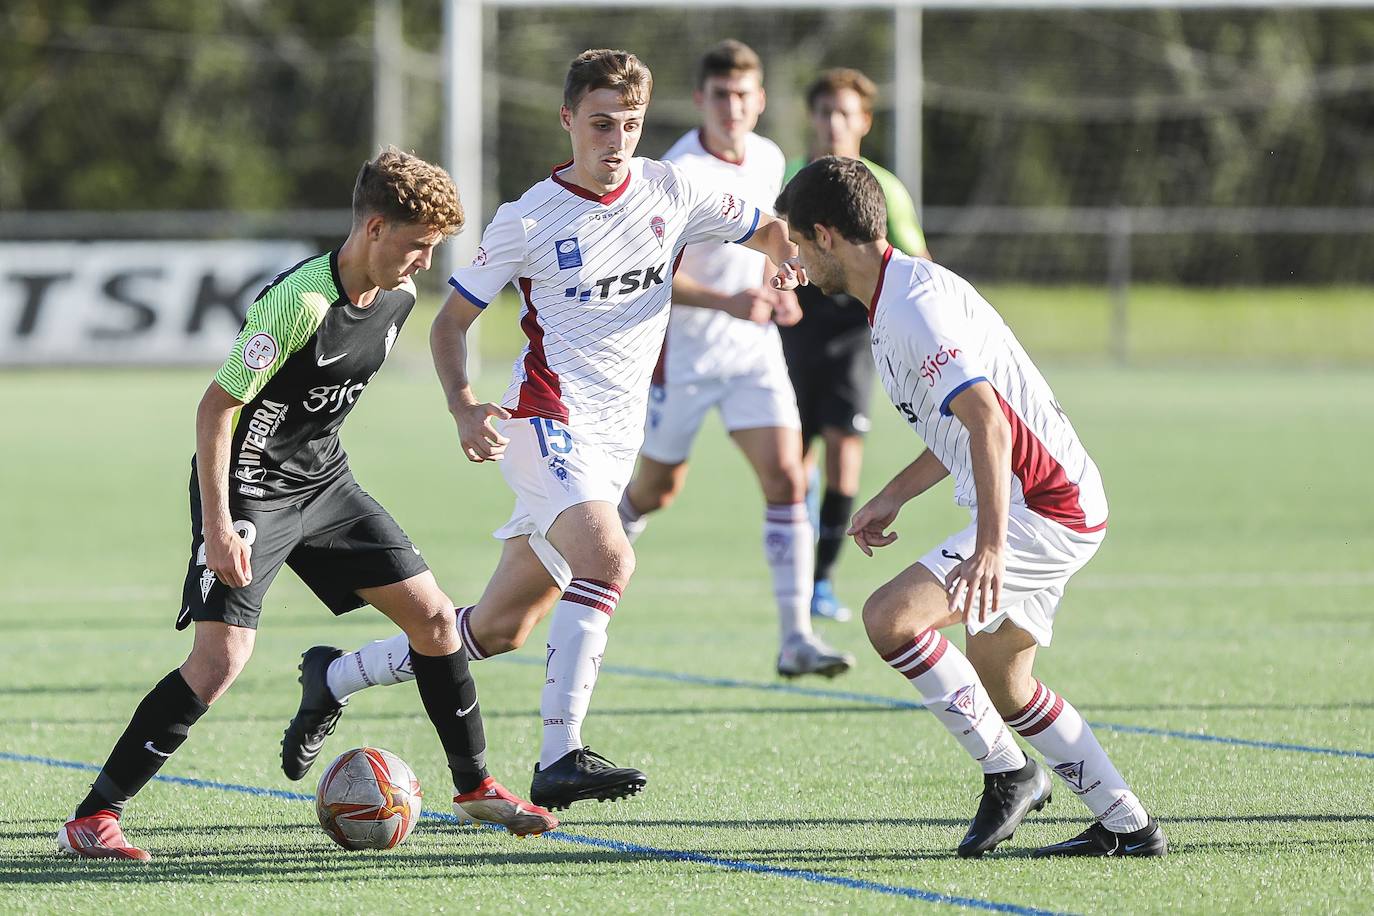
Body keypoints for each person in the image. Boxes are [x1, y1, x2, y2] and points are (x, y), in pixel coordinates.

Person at [279, 49, 808, 811]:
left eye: (629, 124)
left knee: (497, 630)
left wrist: (781, 261)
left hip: (613, 447)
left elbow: (769, 228)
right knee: (610, 557)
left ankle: (333, 675)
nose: (616, 140)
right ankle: (559, 754)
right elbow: (451, 323)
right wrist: (464, 404)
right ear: (568, 120)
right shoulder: (528, 217)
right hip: (545, 425)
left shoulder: (675, 188)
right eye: (600, 123)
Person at [57, 149, 557, 861]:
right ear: (376, 229)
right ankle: (93, 817)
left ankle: (475, 786)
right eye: (418, 247)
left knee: (437, 618)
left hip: (324, 483)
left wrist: (461, 409)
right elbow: (215, 410)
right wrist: (221, 523)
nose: (424, 264)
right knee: (220, 659)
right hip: (248, 489)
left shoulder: (397, 299)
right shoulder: (299, 303)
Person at [774, 157, 1167, 858]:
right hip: (1049, 500)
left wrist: (990, 547)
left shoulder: (912, 307)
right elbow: (959, 425)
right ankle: (1128, 825)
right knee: (1004, 678)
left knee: (889, 618)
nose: (797, 260)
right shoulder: (896, 295)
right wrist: (893, 494)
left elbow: (988, 422)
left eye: (799, 243)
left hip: (1047, 507)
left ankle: (1010, 774)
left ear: (828, 235)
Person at [614, 40, 853, 679]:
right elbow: (649, 276)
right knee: (656, 491)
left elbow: (771, 239)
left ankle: (796, 637)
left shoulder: (770, 158)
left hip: (752, 353)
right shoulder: (675, 171)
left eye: (744, 95)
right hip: (683, 355)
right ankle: (584, 568)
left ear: (761, 100)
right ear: (700, 100)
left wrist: (783, 284)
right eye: (720, 95)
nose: (732, 107)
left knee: (787, 478)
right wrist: (727, 300)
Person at [780, 68, 931, 624]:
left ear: (864, 121)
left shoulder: (882, 186)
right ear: (812, 119)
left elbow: (915, 260)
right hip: (794, 333)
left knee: (845, 457)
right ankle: (795, 581)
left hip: (851, 337)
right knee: (791, 466)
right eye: (825, 113)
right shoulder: (793, 177)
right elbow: (770, 245)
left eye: (845, 113)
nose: (834, 124)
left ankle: (821, 581)